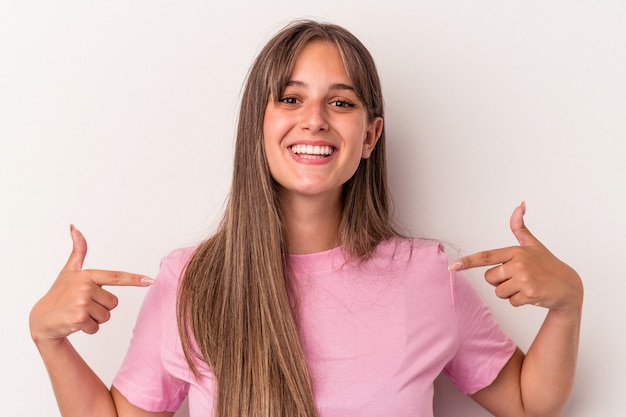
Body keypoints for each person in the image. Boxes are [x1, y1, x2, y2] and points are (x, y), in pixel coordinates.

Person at [29, 19, 583, 417]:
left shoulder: (425, 275)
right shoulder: (190, 282)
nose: (315, 120)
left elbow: (529, 404)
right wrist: (49, 339)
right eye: (290, 99)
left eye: (340, 103)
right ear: (258, 124)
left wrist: (567, 303)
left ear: (370, 136)